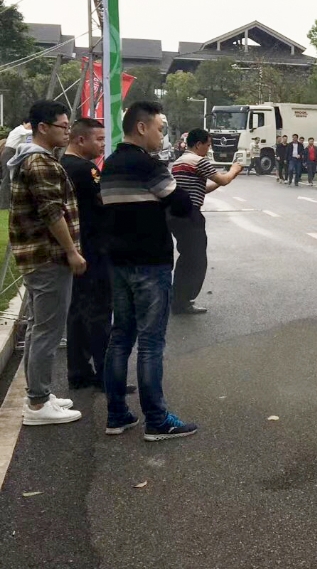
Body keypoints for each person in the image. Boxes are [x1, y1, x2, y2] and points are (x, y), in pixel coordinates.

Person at [101, 101, 198, 441]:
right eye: (159, 128)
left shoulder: (110, 163)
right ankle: (156, 419)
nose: (161, 136)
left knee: (120, 338)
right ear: (141, 127)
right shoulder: (148, 165)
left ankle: (116, 415)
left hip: (119, 263)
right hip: (150, 264)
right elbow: (182, 204)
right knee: (151, 343)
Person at [10, 100, 86, 426]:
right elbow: (52, 212)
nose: (67, 131)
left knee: (40, 328)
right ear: (43, 127)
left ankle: (38, 394)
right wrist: (72, 252)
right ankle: (38, 405)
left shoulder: (37, 159)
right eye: (63, 126)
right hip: (48, 257)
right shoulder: (40, 163)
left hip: (39, 256)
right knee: (47, 331)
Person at [61, 118, 116, 390]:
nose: (102, 144)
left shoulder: (62, 165)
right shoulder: (86, 169)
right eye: (99, 139)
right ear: (80, 140)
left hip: (77, 246)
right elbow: (103, 201)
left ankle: (79, 372)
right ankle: (105, 374)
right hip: (94, 247)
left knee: (78, 311)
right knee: (99, 311)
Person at [169, 129, 242, 314]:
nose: (208, 149)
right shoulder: (197, 161)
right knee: (196, 259)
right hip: (190, 214)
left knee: (187, 257)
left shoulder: (179, 162)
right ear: (199, 144)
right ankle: (183, 300)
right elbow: (223, 179)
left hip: (177, 214)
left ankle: (178, 298)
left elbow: (202, 189)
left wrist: (224, 180)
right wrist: (234, 170)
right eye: (208, 145)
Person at [0, 117, 32, 209]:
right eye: (30, 125)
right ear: (24, 123)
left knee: (13, 177)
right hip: (9, 152)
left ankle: (12, 202)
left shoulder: (24, 134)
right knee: (7, 178)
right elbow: (28, 132)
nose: (30, 127)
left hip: (15, 154)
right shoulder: (19, 129)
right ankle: (3, 204)